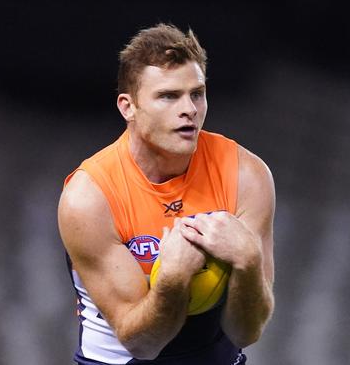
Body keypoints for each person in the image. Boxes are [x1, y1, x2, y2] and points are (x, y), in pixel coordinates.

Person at [58, 23, 275, 365]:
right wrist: (172, 279)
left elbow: (245, 333)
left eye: (197, 94)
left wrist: (249, 262)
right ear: (127, 107)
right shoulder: (90, 197)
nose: (189, 108)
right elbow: (142, 345)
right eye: (168, 96)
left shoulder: (246, 175)